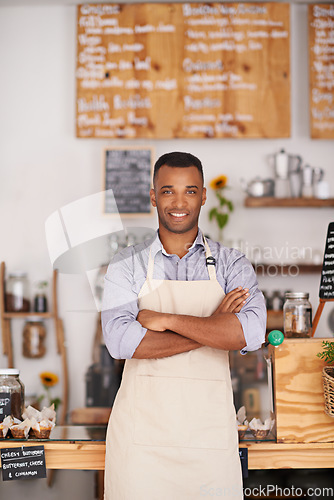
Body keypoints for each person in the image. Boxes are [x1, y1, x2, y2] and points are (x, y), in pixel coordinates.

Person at [102, 151, 266, 499]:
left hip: (209, 442)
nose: (179, 202)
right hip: (140, 448)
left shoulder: (231, 263)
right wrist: (213, 327)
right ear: (153, 195)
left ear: (204, 196)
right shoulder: (126, 266)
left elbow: (249, 332)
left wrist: (166, 321)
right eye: (167, 191)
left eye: (190, 191)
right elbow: (121, 342)